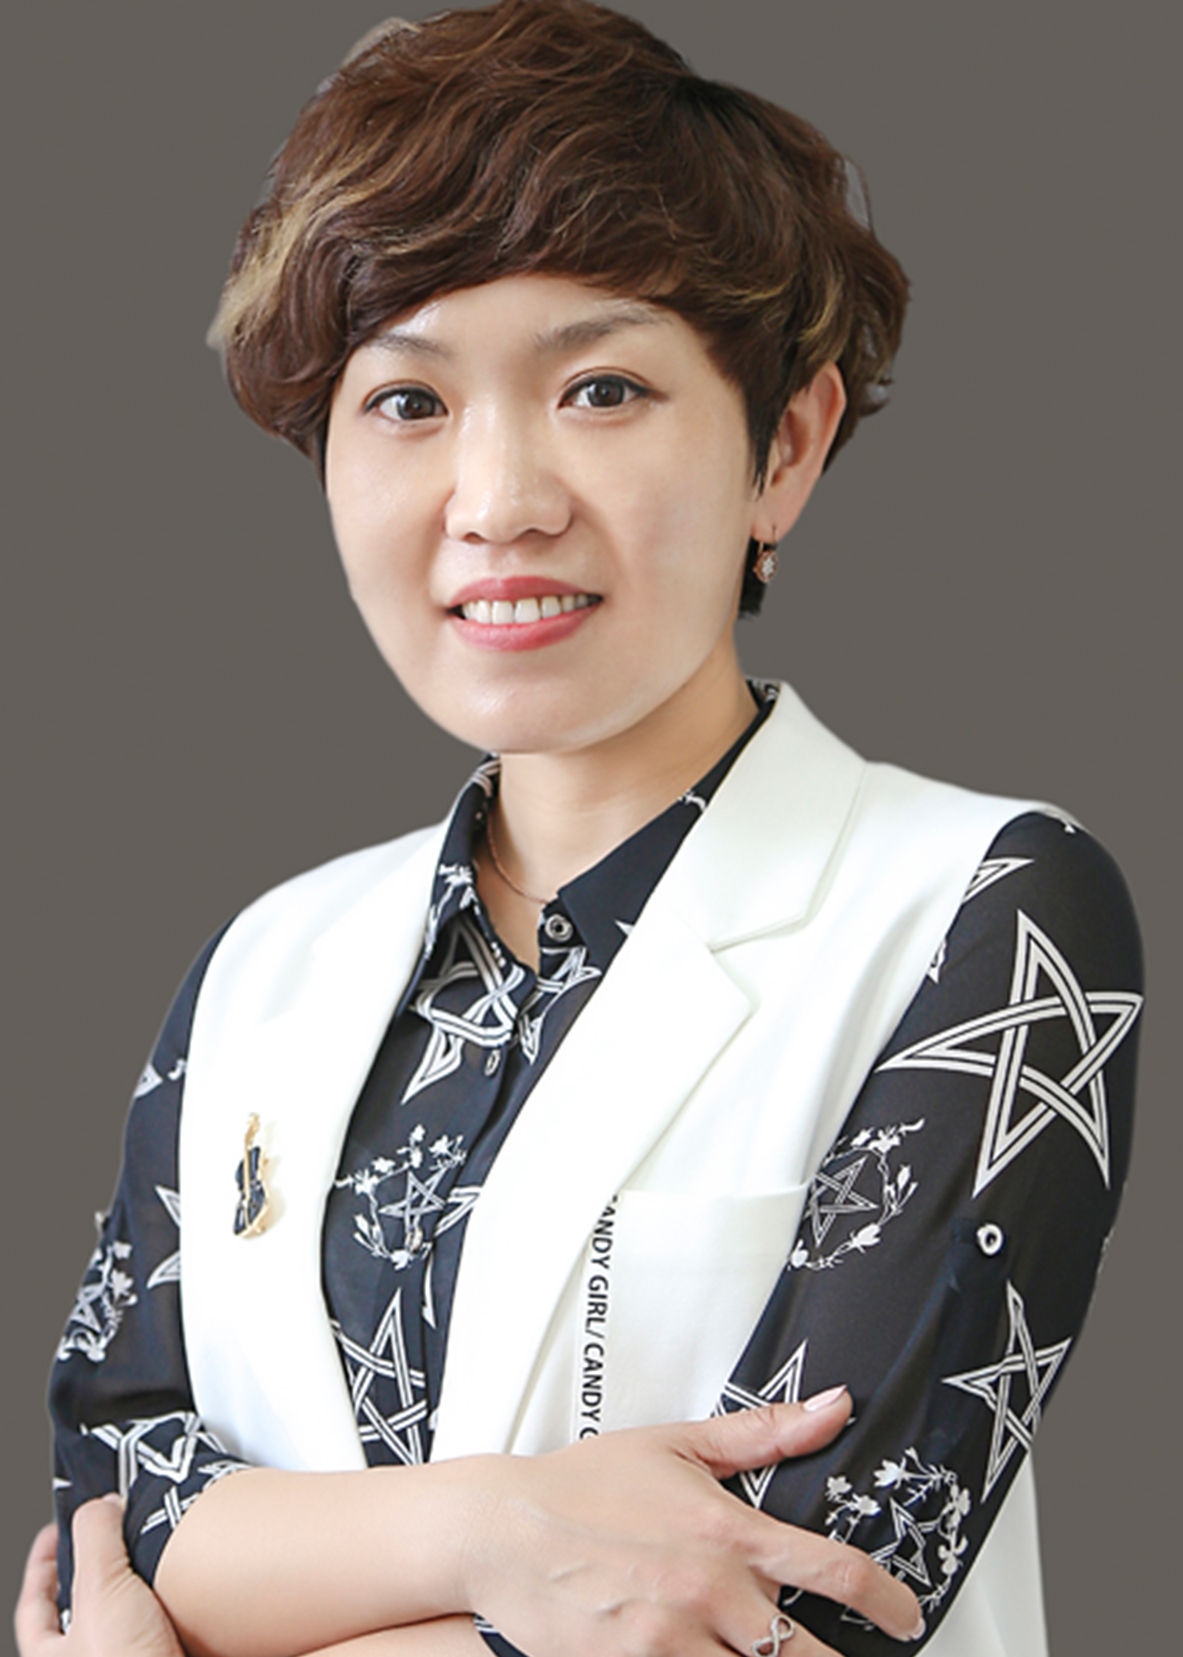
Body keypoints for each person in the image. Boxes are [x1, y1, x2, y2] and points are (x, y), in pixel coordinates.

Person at [42, 3, 1141, 1656]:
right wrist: (507, 1533)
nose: (499, 499)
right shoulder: (261, 967)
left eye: (602, 387)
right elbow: (105, 1509)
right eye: (406, 401)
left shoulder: (987, 910)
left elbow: (802, 1606)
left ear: (784, 447)